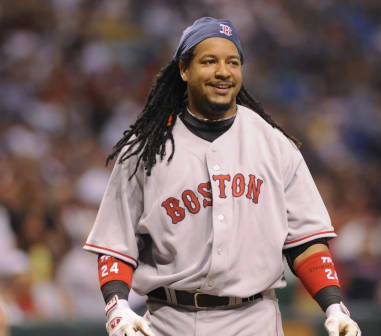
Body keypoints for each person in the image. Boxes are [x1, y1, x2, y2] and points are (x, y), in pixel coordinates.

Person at [84, 17, 361, 336]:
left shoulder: (273, 144)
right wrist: (117, 306)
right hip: (169, 321)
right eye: (209, 61)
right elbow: (116, 246)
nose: (223, 71)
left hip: (253, 320)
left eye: (233, 62)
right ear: (184, 70)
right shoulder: (145, 150)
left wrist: (334, 305)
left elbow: (306, 241)